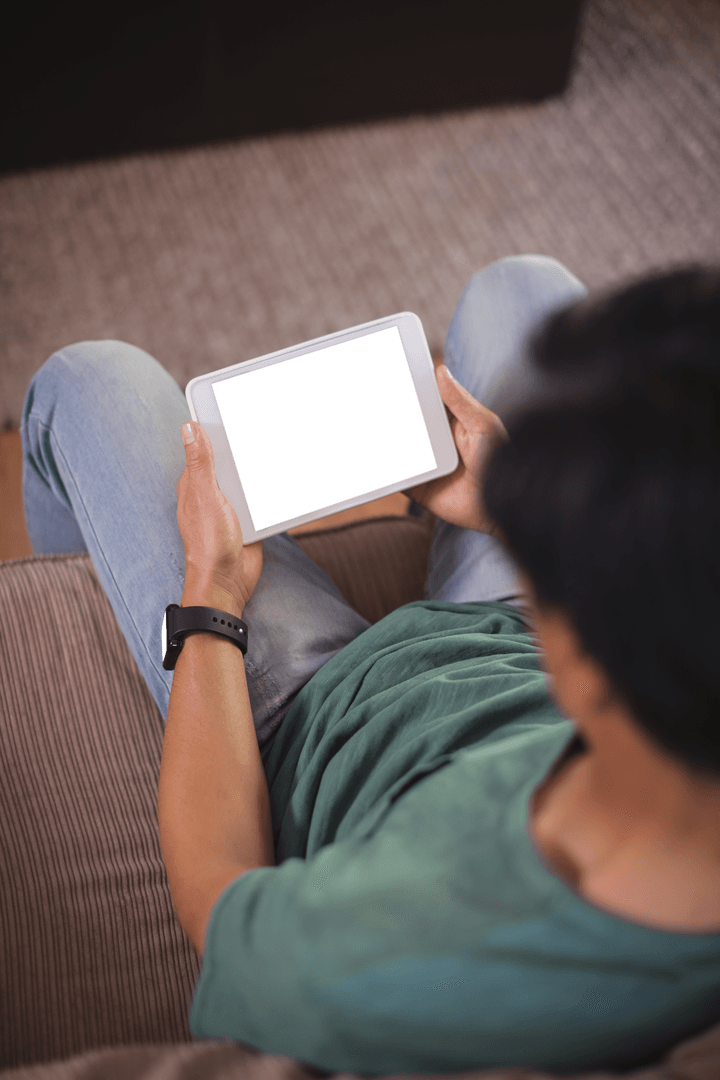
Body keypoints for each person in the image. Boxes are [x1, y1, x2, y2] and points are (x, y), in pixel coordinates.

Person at [20, 256, 720, 1077]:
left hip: (313, 716)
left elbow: (217, 895)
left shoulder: (414, 950)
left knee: (88, 378)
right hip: (513, 646)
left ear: (590, 657)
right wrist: (513, 507)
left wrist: (208, 591)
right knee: (521, 285)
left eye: (556, 555)